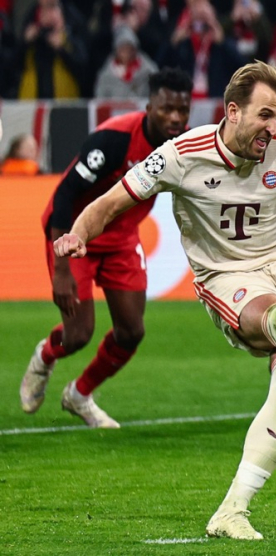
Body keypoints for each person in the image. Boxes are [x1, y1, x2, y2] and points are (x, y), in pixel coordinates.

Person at [52, 61, 276, 541]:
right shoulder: (180, 155)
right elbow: (108, 203)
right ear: (232, 111)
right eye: (265, 115)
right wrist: (77, 235)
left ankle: (232, 511)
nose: (274, 127)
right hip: (226, 276)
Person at [20, 68, 193, 428]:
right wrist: (62, 267)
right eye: (166, 109)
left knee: (132, 332)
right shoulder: (113, 140)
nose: (175, 118)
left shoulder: (184, 148)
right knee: (78, 335)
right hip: (74, 236)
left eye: (182, 110)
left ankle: (79, 395)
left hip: (122, 239)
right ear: (149, 106)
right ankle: (45, 354)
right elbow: (64, 195)